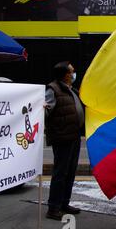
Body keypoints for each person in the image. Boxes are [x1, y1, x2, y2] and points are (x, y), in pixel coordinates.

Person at [45, 61, 84, 220]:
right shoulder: (53, 90)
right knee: (60, 173)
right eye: (71, 71)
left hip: (74, 136)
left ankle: (64, 203)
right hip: (62, 138)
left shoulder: (70, 90)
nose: (74, 74)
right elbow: (45, 112)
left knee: (70, 173)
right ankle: (53, 208)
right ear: (65, 74)